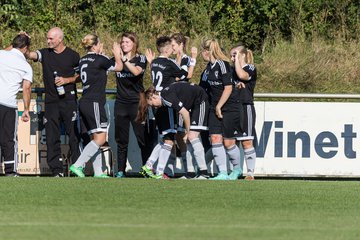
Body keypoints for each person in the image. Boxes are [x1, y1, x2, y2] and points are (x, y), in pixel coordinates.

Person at [26, 27, 81, 177]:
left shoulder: (73, 55)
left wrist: (67, 80)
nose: (48, 41)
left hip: (69, 101)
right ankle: (56, 171)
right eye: (47, 38)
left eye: (50, 38)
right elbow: (29, 54)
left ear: (60, 39)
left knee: (73, 135)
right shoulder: (45, 53)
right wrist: (26, 41)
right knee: (51, 137)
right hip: (51, 102)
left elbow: (81, 76)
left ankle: (77, 168)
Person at [69, 34, 122, 178]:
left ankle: (98, 172)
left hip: (84, 101)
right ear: (95, 45)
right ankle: (77, 165)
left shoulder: (83, 59)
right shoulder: (100, 58)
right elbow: (119, 67)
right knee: (100, 139)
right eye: (100, 44)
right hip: (94, 102)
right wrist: (117, 54)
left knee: (95, 138)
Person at [141, 36, 188, 179]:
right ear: (167, 49)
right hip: (165, 101)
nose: (173, 49)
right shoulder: (170, 62)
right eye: (172, 47)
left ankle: (149, 166)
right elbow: (184, 75)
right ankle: (159, 171)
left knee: (164, 138)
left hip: (156, 102)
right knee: (169, 138)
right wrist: (188, 61)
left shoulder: (154, 62)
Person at [145, 82, 210, 179]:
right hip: (193, 105)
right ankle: (190, 173)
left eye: (152, 104)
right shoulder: (165, 95)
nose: (154, 107)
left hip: (200, 101)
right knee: (187, 140)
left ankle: (204, 172)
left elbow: (185, 113)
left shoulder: (166, 98)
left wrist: (187, 132)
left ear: (153, 97)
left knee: (191, 136)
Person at [200, 39, 244, 180]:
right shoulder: (208, 68)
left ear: (208, 51)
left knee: (228, 142)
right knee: (215, 139)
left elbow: (228, 87)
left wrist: (219, 105)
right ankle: (223, 173)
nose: (202, 53)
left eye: (203, 50)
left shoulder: (222, 65)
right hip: (215, 107)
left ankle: (237, 170)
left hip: (229, 107)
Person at [113, 32, 154, 178]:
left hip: (137, 103)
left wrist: (124, 59)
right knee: (121, 140)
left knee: (142, 138)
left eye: (127, 42)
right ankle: (120, 171)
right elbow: (108, 67)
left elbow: (136, 72)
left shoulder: (141, 58)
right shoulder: (117, 59)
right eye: (122, 42)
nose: (124, 44)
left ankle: (147, 170)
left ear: (134, 44)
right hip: (121, 104)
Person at [0, 33, 32, 176]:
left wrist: (18, 38)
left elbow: (8, 50)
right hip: (8, 105)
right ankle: (10, 171)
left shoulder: (2, 54)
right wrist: (26, 109)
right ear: (25, 48)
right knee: (8, 139)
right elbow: (26, 88)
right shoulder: (25, 66)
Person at [170, 33, 198, 177]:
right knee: (176, 136)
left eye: (173, 45)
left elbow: (187, 75)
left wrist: (193, 57)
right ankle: (177, 170)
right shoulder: (173, 59)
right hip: (174, 99)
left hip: (182, 100)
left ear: (181, 45)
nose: (171, 48)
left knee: (183, 135)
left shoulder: (186, 59)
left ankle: (190, 170)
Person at [230, 44, 257, 180]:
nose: (232, 58)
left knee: (246, 141)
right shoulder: (230, 70)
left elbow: (242, 75)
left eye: (234, 55)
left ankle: (250, 172)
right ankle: (235, 170)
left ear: (243, 55)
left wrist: (237, 62)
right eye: (231, 55)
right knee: (230, 141)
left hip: (245, 107)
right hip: (232, 109)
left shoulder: (250, 67)